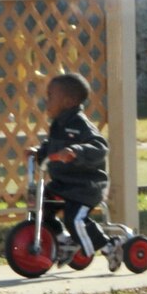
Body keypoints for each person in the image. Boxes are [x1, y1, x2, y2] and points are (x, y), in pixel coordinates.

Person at [30, 72, 117, 269]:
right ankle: (63, 239)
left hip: (85, 186)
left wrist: (76, 151)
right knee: (39, 205)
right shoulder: (58, 125)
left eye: (51, 96)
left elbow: (100, 147)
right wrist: (39, 152)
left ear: (68, 101)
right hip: (63, 184)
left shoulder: (81, 125)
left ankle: (109, 246)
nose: (47, 100)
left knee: (74, 218)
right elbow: (53, 147)